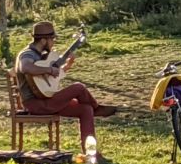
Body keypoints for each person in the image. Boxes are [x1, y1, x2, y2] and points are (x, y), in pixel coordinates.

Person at [15, 21, 117, 156]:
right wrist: (50, 69)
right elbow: (26, 67)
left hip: (47, 99)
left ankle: (91, 153)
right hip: (36, 104)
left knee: (85, 109)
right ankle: (97, 108)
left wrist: (67, 66)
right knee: (79, 87)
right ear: (43, 40)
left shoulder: (41, 55)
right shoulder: (27, 54)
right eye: (52, 39)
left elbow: (47, 81)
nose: (54, 42)